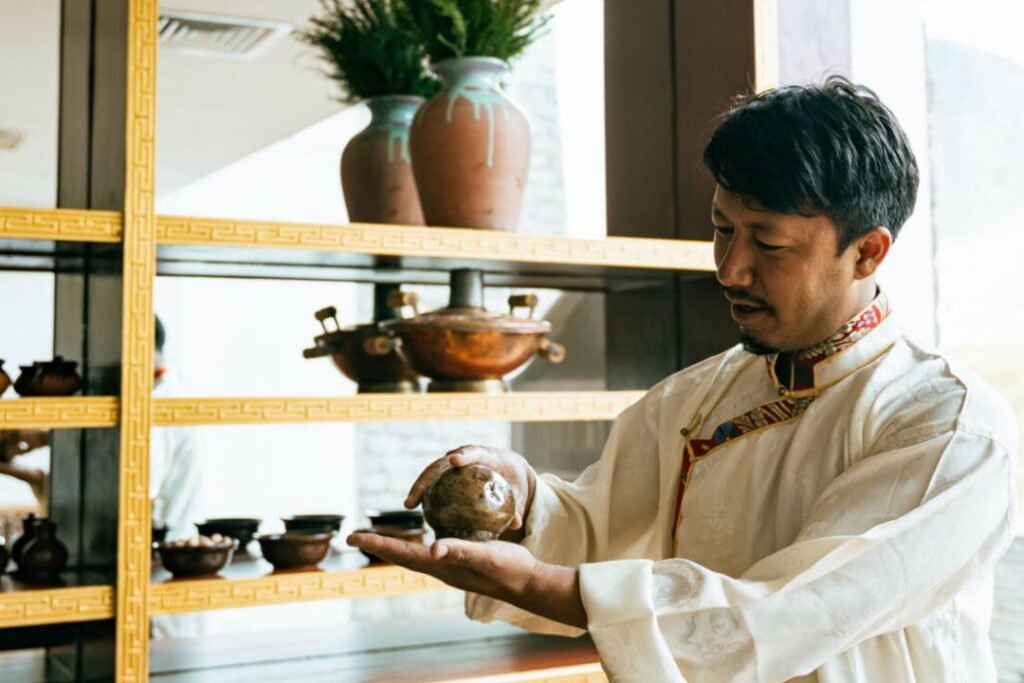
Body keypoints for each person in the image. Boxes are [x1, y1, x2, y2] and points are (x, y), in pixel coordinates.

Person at [348, 77, 1019, 682]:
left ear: (867, 250)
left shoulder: (950, 426)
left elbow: (791, 610)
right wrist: (520, 497)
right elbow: (597, 529)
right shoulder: (694, 397)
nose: (730, 268)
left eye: (768, 242)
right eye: (721, 229)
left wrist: (553, 585)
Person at [151, 315, 203, 540]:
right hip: (176, 531)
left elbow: (144, 487)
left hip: (163, 540)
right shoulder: (171, 387)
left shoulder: (160, 399)